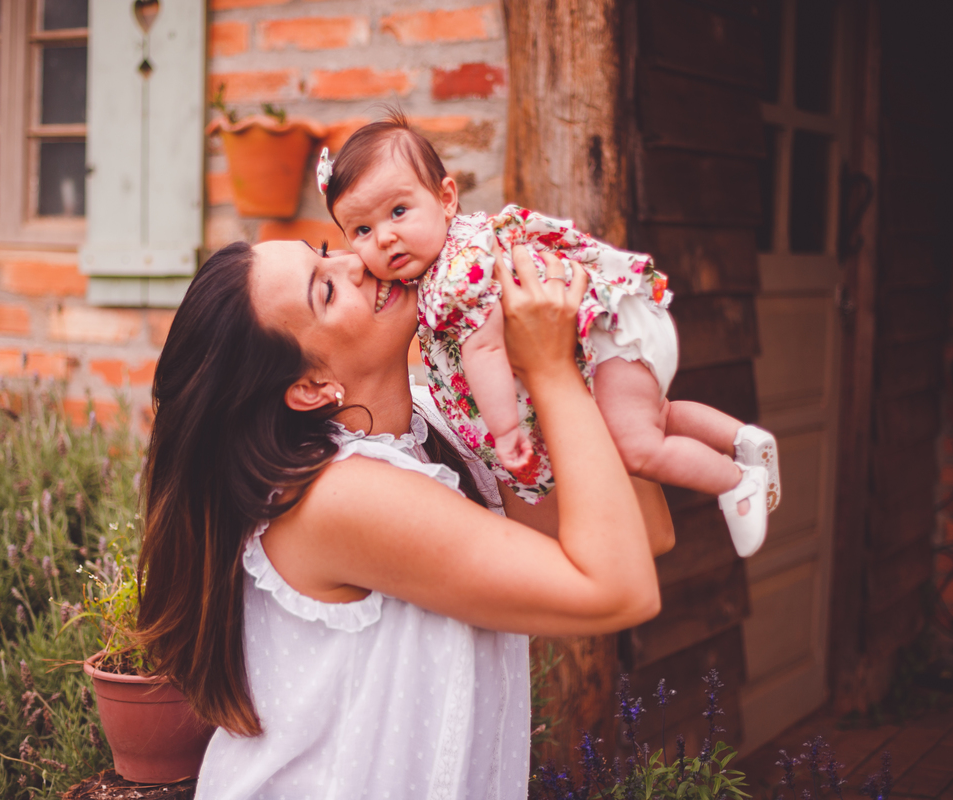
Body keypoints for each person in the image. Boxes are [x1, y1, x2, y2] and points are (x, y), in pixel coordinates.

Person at [135, 237, 674, 799]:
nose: (356, 262)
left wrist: (576, 347)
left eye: (327, 249)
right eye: (326, 289)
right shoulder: (337, 495)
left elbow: (643, 534)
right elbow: (620, 590)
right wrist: (552, 370)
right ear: (311, 387)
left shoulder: (442, 425)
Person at [317, 111, 781, 557]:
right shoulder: (466, 246)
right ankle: (743, 441)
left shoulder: (455, 279)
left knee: (637, 446)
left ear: (446, 198)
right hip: (614, 331)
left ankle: (736, 481)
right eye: (362, 229)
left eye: (399, 211)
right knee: (660, 416)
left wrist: (506, 433)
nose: (383, 239)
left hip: (602, 343)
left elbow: (486, 348)